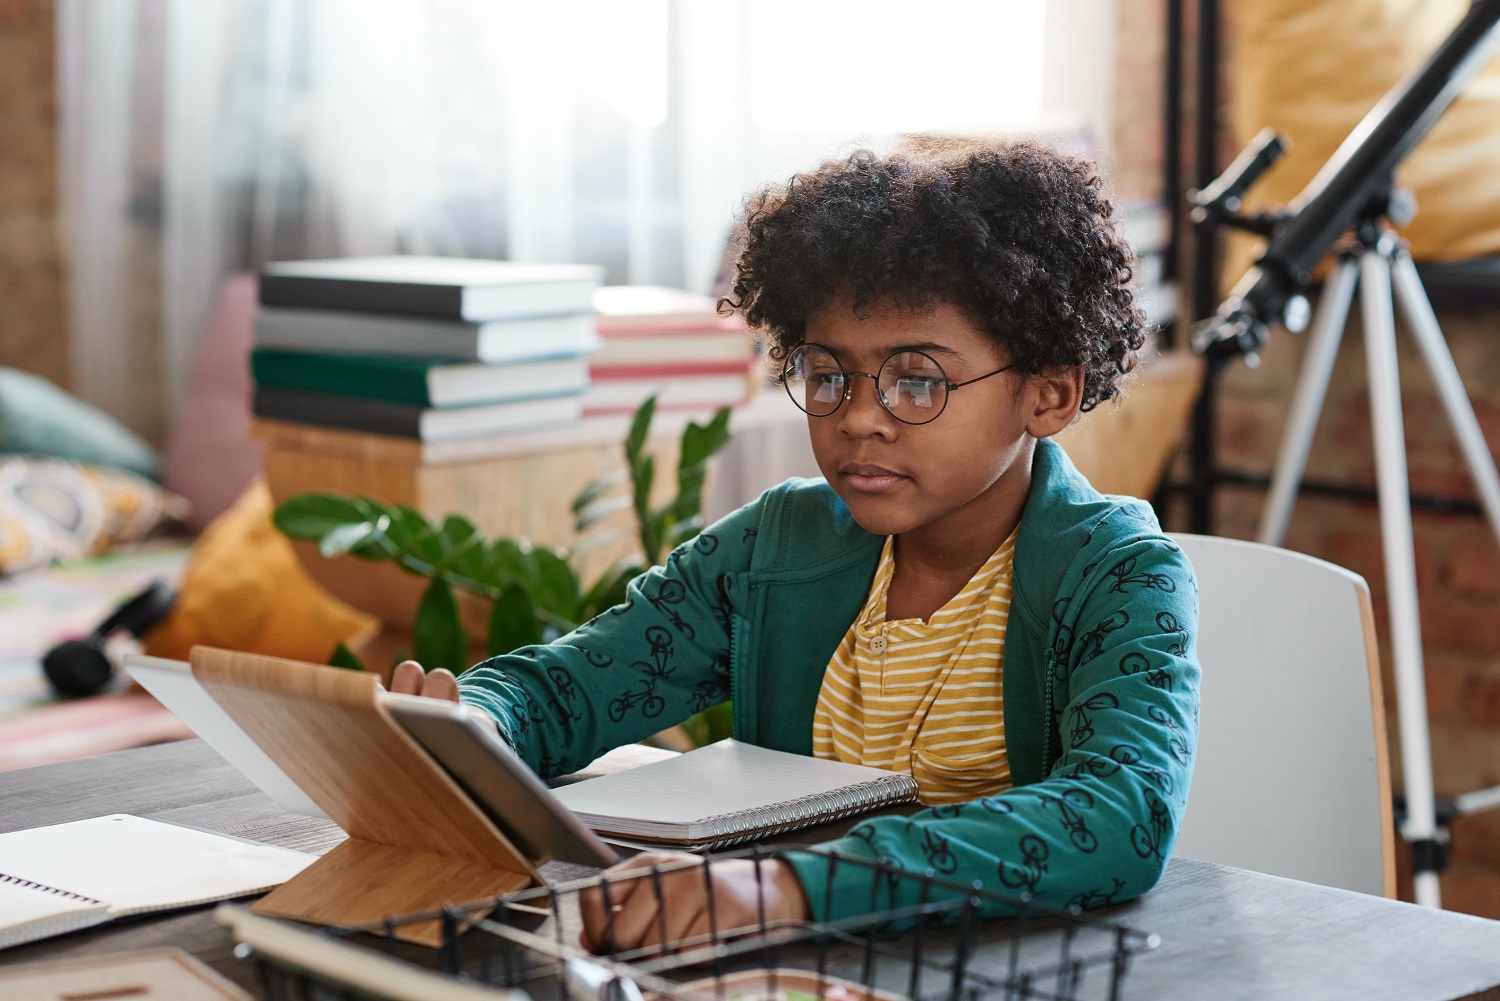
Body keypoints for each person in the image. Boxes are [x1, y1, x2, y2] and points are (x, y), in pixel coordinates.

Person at [392, 138, 1200, 950]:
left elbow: (1120, 815)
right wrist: (483, 724)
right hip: (782, 965)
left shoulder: (1120, 574)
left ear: (1049, 394)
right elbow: (570, 689)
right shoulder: (769, 550)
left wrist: (788, 885)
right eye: (827, 373)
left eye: (917, 380)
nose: (857, 415)